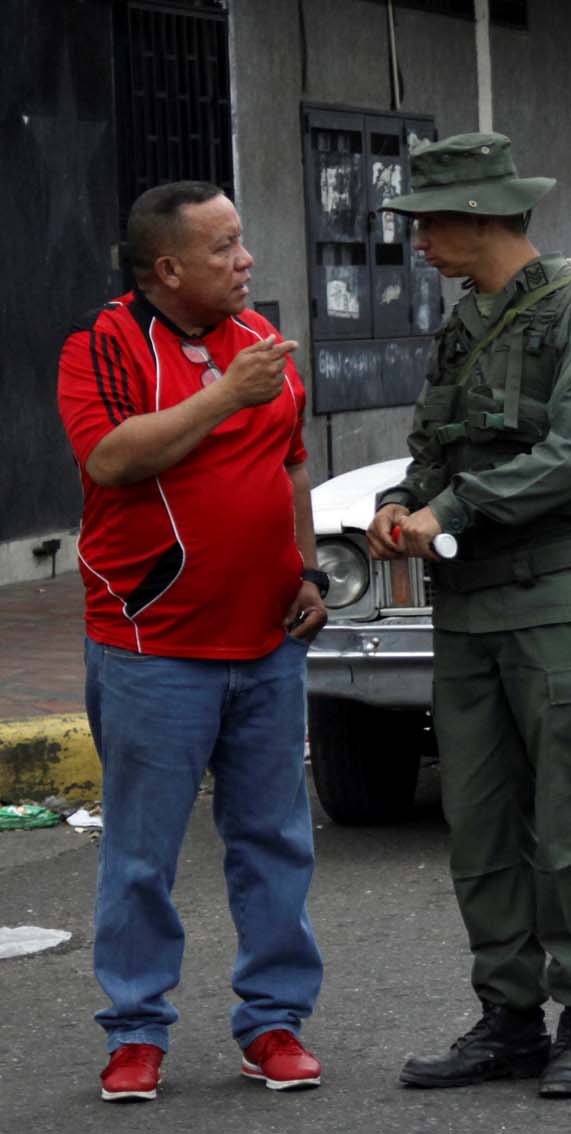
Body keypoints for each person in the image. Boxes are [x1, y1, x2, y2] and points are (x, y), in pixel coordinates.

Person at [370, 133, 571, 1099]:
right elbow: (435, 442)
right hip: (470, 607)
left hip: (558, 600)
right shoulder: (464, 323)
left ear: (483, 219)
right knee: (479, 823)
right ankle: (509, 1017)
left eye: (431, 224)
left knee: (568, 818)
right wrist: (404, 501)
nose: (420, 243)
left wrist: (457, 508)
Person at [55, 181, 327, 1102]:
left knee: (274, 838)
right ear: (168, 268)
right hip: (153, 643)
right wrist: (223, 398)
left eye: (243, 241)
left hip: (267, 639)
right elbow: (112, 459)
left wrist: (310, 573)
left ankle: (275, 1023)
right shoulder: (102, 346)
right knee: (142, 850)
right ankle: (135, 1033)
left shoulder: (263, 345)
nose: (246, 259)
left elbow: (291, 463)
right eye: (225, 247)